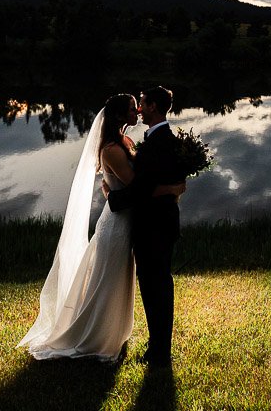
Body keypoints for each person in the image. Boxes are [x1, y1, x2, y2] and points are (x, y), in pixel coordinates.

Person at [17, 93, 154, 360]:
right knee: (107, 280)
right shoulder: (111, 149)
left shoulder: (124, 141)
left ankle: (113, 331)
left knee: (118, 278)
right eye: (131, 108)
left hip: (126, 220)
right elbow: (133, 183)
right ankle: (94, 336)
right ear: (118, 115)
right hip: (116, 225)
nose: (137, 110)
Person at [106, 86, 185, 368]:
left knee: (156, 289)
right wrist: (172, 188)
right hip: (161, 225)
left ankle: (160, 351)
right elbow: (160, 184)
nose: (138, 108)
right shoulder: (162, 138)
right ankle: (158, 346)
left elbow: (140, 190)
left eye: (141, 103)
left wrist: (109, 196)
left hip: (154, 229)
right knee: (157, 288)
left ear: (152, 106)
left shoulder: (158, 142)